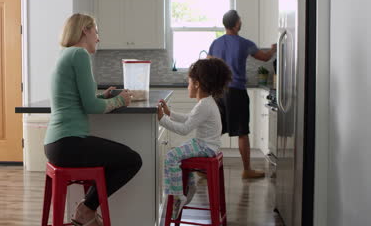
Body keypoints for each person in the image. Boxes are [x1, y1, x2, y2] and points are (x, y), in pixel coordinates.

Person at [44, 13, 142, 226]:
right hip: (68, 143)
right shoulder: (79, 54)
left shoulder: (65, 54)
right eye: (96, 31)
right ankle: (86, 209)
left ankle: (86, 208)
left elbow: (81, 99)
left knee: (116, 159)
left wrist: (103, 97)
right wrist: (120, 101)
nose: (98, 38)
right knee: (132, 160)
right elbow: (91, 107)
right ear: (85, 31)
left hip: (56, 143)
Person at [157, 58, 232, 219]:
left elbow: (184, 129)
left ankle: (178, 196)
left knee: (171, 156)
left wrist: (162, 119)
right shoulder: (206, 102)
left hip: (205, 147)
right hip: (207, 145)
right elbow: (189, 118)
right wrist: (169, 114)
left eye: (189, 82)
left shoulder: (204, 105)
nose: (187, 86)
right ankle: (189, 187)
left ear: (197, 84)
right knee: (177, 154)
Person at [207, 9, 276, 179]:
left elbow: (208, 65)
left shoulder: (215, 43)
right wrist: (274, 49)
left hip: (218, 93)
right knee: (242, 132)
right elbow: (265, 58)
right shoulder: (245, 43)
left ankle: (204, 167)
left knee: (215, 130)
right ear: (237, 24)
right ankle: (247, 169)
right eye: (240, 20)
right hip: (236, 91)